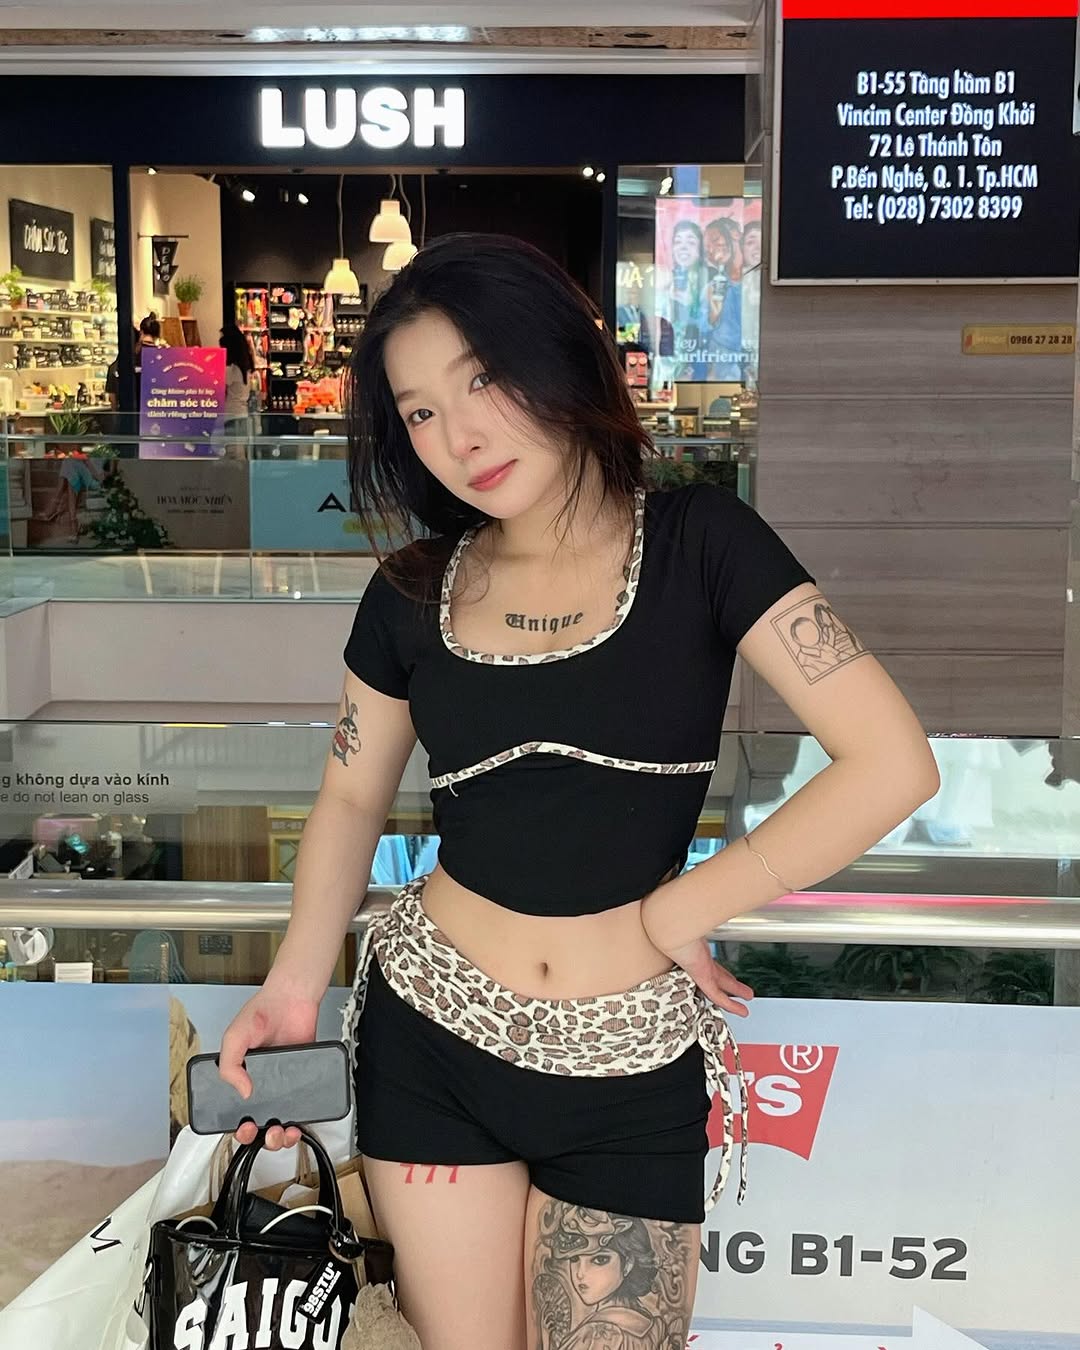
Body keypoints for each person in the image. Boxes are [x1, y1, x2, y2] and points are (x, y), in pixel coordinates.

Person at [218, 233, 940, 1350]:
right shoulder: (411, 590)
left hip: (630, 1063)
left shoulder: (706, 542)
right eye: (419, 412)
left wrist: (685, 907)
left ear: (560, 355)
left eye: (483, 381)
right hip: (433, 1039)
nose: (460, 436)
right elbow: (352, 800)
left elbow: (892, 762)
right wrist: (294, 985)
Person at [219, 322, 255, 457]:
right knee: (240, 453)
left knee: (234, 453)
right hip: (242, 414)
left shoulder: (232, 370)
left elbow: (219, 386)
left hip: (232, 415)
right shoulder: (244, 368)